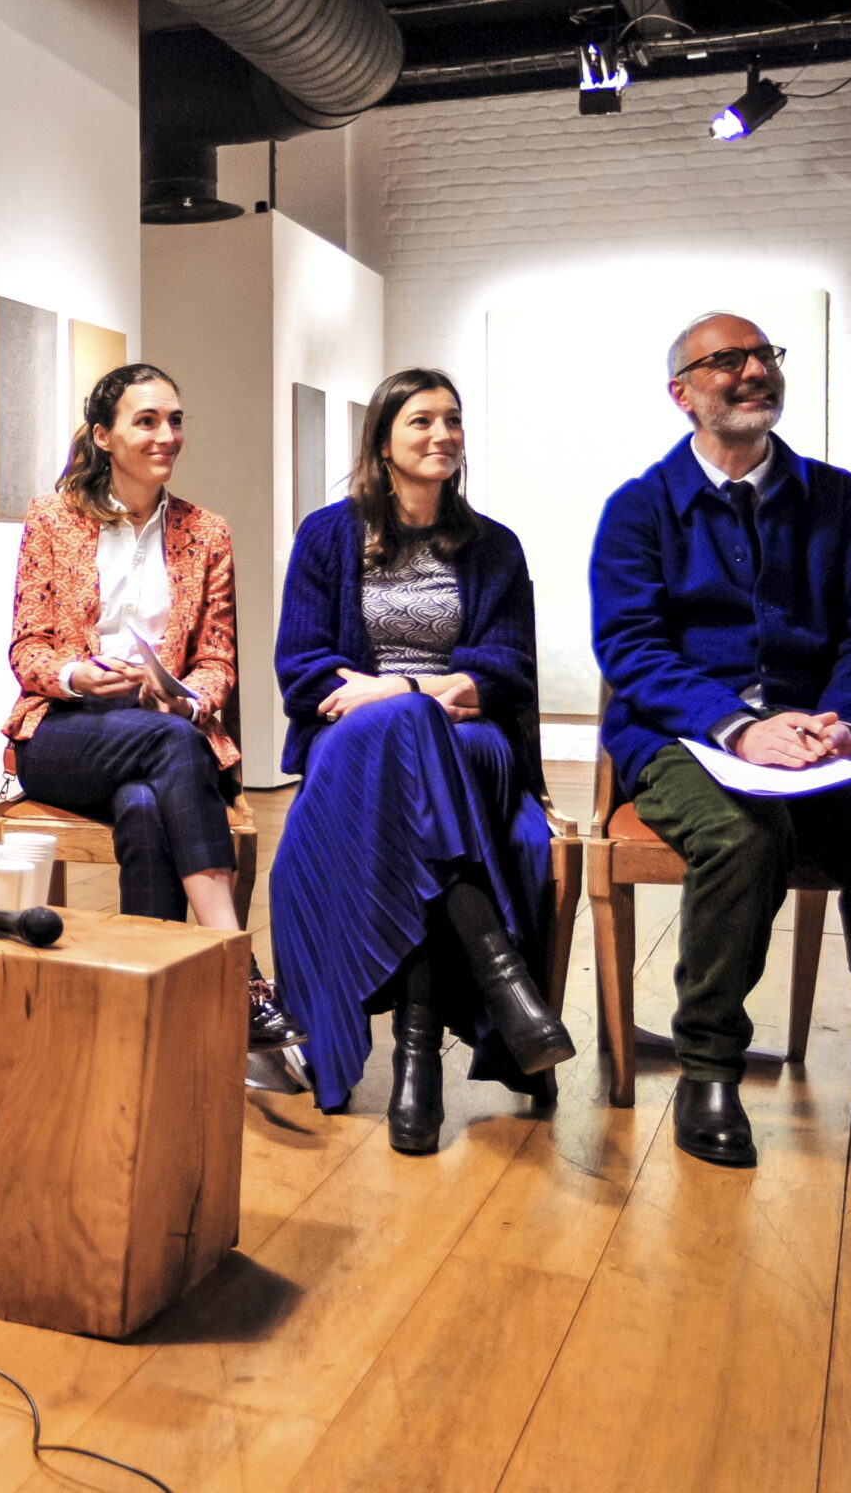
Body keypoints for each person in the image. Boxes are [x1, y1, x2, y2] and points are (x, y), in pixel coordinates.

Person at [591, 312, 851, 1178]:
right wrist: (740, 727)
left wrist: (843, 725)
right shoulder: (640, 509)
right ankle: (709, 1071)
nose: (754, 371)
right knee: (745, 840)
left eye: (764, 355)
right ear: (682, 394)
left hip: (820, 738)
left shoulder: (838, 499)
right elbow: (632, 647)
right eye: (727, 360)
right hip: (686, 738)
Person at [267, 369, 574, 1150]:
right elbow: (303, 668)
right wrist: (418, 697)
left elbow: (506, 669)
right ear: (383, 440)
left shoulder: (494, 546)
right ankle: (499, 981)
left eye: (454, 421)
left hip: (468, 744)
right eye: (422, 421)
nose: (443, 435)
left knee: (419, 751)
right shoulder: (326, 536)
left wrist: (399, 687)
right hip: (357, 748)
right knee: (411, 738)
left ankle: (417, 1066)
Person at [6, 363, 306, 1052]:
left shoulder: (207, 532)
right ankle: (239, 966)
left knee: (145, 803)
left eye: (174, 420)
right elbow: (28, 648)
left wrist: (187, 693)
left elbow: (219, 658)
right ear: (105, 437)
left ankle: (148, 1019)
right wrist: (82, 674)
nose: (167, 435)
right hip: (60, 734)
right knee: (170, 749)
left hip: (160, 730)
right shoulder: (52, 520)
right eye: (147, 421)